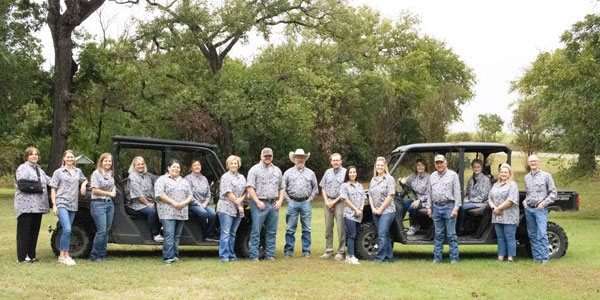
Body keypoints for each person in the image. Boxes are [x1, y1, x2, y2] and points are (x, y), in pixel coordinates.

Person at [48, 150, 88, 266]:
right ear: (64, 158)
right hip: (61, 203)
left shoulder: (77, 171)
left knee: (68, 229)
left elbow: (84, 179)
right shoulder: (58, 172)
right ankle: (62, 255)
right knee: (67, 229)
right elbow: (53, 189)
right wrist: (54, 205)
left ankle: (66, 254)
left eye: (72, 157)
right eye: (68, 157)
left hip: (73, 204)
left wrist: (84, 185)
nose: (70, 159)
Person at [246, 148, 284, 261]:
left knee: (272, 231)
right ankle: (254, 256)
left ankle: (270, 255)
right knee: (256, 231)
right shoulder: (254, 170)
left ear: (272, 157)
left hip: (274, 204)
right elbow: (249, 187)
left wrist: (280, 200)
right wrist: (257, 202)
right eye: (265, 156)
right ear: (261, 156)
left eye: (270, 156)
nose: (268, 158)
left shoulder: (277, 170)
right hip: (259, 204)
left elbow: (282, 187)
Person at [14, 147, 51, 263]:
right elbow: (23, 185)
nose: (34, 156)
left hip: (38, 206)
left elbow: (49, 181)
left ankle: (31, 255)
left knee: (34, 232)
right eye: (31, 154)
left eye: (36, 154)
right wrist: (40, 188)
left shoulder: (39, 170)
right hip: (25, 207)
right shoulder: (22, 168)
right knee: (24, 232)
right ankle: (22, 257)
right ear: (26, 157)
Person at [155, 159, 193, 264]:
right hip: (167, 212)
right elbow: (160, 194)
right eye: (174, 167)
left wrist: (184, 203)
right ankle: (168, 257)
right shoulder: (162, 179)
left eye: (178, 167)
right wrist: (174, 203)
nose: (176, 169)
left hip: (181, 212)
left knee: (177, 235)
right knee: (169, 234)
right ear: (168, 168)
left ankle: (175, 256)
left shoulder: (184, 181)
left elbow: (190, 195)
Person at [283, 149, 318, 258]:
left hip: (305, 203)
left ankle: (306, 251)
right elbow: (283, 188)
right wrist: (289, 200)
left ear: (305, 159)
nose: (300, 159)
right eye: (298, 157)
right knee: (290, 228)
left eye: (302, 157)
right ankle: (289, 251)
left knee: (306, 228)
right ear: (294, 159)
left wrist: (309, 199)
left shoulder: (310, 173)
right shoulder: (288, 173)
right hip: (292, 202)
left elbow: (315, 188)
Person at [427, 154, 461, 264]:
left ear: (445, 163)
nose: (439, 165)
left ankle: (454, 258)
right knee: (438, 234)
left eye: (441, 162)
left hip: (449, 206)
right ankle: (437, 258)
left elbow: (457, 193)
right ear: (435, 165)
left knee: (451, 234)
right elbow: (429, 194)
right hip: (436, 207)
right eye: (437, 163)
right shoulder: (432, 176)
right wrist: (429, 208)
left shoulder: (453, 175)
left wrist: (456, 208)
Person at [523, 154, 557, 263]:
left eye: (535, 161)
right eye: (531, 161)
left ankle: (545, 259)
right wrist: (525, 202)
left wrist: (544, 203)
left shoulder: (546, 176)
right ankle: (536, 258)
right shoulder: (526, 177)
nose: (533, 163)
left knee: (542, 234)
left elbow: (553, 193)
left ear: (539, 162)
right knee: (532, 235)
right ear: (528, 163)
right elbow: (528, 193)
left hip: (540, 209)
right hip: (529, 209)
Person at [217, 155, 247, 262]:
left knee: (233, 233)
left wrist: (241, 200)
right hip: (226, 208)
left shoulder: (242, 177)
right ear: (228, 165)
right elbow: (229, 193)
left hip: (239, 208)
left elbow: (246, 192)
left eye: (236, 163)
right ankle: (224, 256)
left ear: (238, 165)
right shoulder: (225, 177)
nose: (234, 165)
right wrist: (238, 205)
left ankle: (231, 254)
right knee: (225, 232)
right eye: (232, 163)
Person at [127, 156, 163, 243]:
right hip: (135, 204)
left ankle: (161, 232)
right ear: (134, 166)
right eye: (138, 164)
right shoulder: (133, 177)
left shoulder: (147, 175)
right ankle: (155, 234)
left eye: (142, 164)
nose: (140, 166)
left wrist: (170, 176)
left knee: (163, 209)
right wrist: (148, 204)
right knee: (152, 212)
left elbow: (159, 179)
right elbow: (138, 195)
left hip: (149, 202)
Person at [488, 163, 519, 262]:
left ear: (509, 173)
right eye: (501, 172)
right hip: (497, 215)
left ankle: (510, 258)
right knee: (500, 237)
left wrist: (499, 209)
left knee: (509, 237)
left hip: (509, 215)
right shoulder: (495, 185)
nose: (503, 174)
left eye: (505, 172)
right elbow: (489, 198)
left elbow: (510, 200)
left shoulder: (512, 185)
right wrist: (494, 208)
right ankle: (500, 257)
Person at [368, 157, 396, 262]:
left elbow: (391, 195)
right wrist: (373, 208)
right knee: (385, 234)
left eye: (381, 165)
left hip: (387, 211)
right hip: (375, 211)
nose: (379, 167)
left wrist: (380, 208)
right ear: (375, 167)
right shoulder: (373, 180)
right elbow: (370, 195)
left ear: (385, 167)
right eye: (378, 165)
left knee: (382, 233)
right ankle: (389, 257)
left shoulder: (389, 179)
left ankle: (379, 257)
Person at [319, 153, 347, 260]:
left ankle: (341, 251)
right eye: (333, 160)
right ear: (331, 162)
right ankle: (329, 250)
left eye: (337, 160)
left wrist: (333, 202)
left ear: (341, 161)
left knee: (341, 227)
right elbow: (323, 187)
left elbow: (344, 190)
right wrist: (327, 201)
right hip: (328, 201)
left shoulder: (345, 173)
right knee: (328, 227)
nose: (335, 162)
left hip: (340, 202)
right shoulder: (327, 172)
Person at [90, 153, 116, 262]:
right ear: (101, 162)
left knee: (106, 231)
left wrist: (113, 191)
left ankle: (103, 254)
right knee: (101, 231)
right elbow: (94, 190)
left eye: (109, 161)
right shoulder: (96, 174)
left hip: (109, 205)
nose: (108, 163)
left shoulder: (110, 173)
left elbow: (113, 185)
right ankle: (95, 256)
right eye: (106, 161)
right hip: (98, 204)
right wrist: (109, 193)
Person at [185, 160, 219, 242]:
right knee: (204, 213)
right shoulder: (187, 179)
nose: (197, 167)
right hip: (193, 204)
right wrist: (198, 204)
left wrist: (206, 203)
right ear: (191, 168)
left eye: (198, 165)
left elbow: (208, 193)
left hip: (204, 204)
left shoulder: (204, 179)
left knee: (213, 214)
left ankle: (210, 235)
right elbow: (188, 194)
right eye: (194, 165)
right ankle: (204, 233)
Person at [340, 166, 365, 265]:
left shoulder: (360, 185)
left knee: (355, 235)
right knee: (352, 235)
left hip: (359, 214)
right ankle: (350, 256)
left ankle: (350, 255)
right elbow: (345, 199)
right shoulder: (344, 186)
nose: (352, 174)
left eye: (354, 172)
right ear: (347, 174)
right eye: (350, 172)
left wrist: (361, 209)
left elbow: (363, 198)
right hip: (349, 214)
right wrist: (355, 209)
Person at [457, 159, 491, 231]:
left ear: (481, 168)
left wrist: (469, 200)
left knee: (462, 207)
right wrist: (465, 198)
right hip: (471, 201)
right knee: (457, 205)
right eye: (474, 167)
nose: (476, 169)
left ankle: (460, 227)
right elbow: (468, 192)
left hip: (482, 203)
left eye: (478, 167)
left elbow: (483, 196)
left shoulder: (485, 180)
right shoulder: (471, 180)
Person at [399, 159, 430, 235]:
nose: (420, 167)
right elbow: (401, 181)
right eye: (418, 165)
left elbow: (429, 194)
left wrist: (419, 200)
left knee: (412, 207)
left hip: (426, 201)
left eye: (422, 165)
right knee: (402, 205)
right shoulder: (414, 176)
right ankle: (399, 225)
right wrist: (402, 180)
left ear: (425, 167)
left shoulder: (429, 178)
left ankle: (414, 225)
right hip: (415, 199)